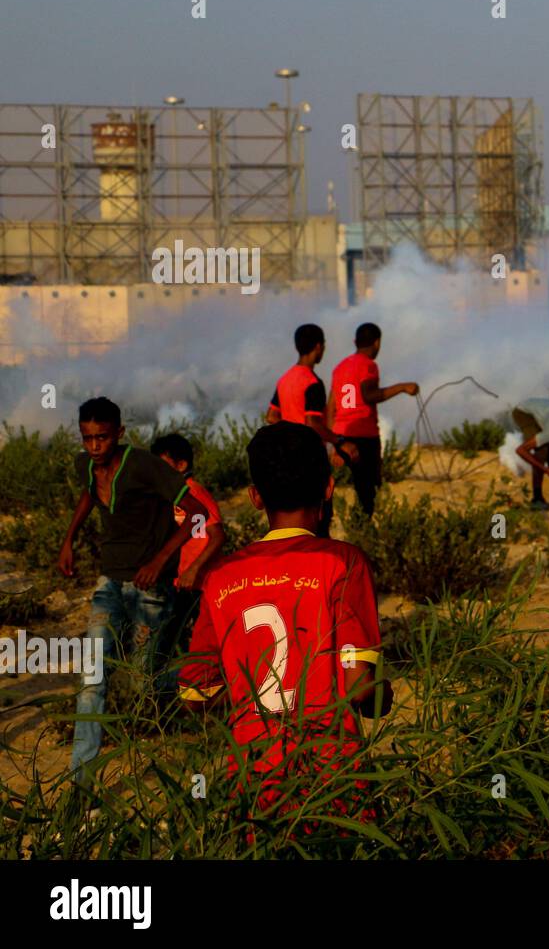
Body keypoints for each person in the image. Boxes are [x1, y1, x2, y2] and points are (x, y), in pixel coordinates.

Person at [179, 421, 391, 828]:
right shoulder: (343, 562)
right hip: (333, 780)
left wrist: (251, 701)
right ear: (329, 488)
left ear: (256, 498)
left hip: (255, 782)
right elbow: (361, 686)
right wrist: (382, 696)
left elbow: (194, 695)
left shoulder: (221, 577)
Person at [59, 397, 212, 781]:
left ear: (119, 433)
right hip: (109, 581)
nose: (94, 447)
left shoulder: (145, 466)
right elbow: (89, 492)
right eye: (87, 438)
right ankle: (81, 781)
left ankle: (201, 684)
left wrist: (160, 561)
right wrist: (69, 539)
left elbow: (198, 513)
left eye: (103, 438)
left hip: (151, 588)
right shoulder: (86, 465)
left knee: (146, 680)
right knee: (93, 679)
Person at [149, 432, 228, 678]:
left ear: (181, 465)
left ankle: (205, 691)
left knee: (202, 640)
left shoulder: (193, 492)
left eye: (162, 464)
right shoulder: (170, 495)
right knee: (175, 640)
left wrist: (194, 569)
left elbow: (217, 536)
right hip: (179, 581)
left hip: (199, 583)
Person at [267, 323, 357, 537]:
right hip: (310, 462)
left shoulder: (285, 379)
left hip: (286, 461)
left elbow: (272, 416)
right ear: (318, 347)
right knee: (319, 522)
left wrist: (287, 436)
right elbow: (313, 423)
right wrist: (340, 441)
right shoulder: (312, 382)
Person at [327, 322, 419, 517]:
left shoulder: (339, 368)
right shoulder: (368, 365)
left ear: (355, 342)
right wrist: (402, 387)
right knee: (369, 492)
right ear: (377, 343)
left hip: (341, 436)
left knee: (342, 488)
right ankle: (362, 532)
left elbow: (331, 406)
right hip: (364, 437)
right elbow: (369, 395)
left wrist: (332, 441)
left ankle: (353, 527)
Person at [511, 397, 549, 509]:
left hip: (548, 412)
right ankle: (537, 499)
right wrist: (546, 470)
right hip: (524, 411)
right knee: (541, 452)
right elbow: (521, 450)